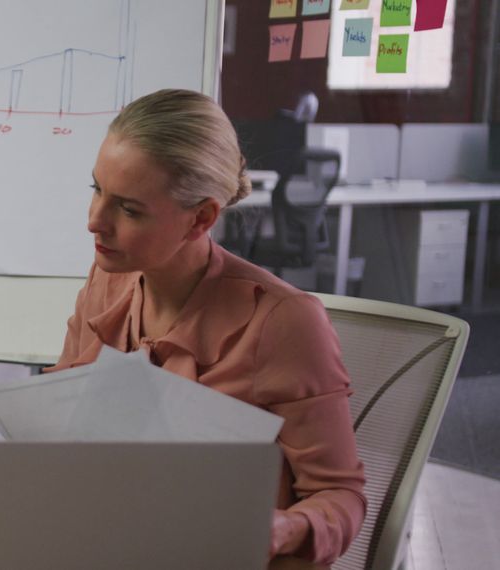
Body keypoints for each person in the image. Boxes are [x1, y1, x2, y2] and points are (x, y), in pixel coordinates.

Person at [45, 89, 365, 564]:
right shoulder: (107, 285)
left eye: (129, 209)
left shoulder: (285, 323)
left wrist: (282, 529)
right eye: (97, 190)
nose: (95, 221)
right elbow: (60, 427)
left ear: (201, 218)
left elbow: (341, 495)